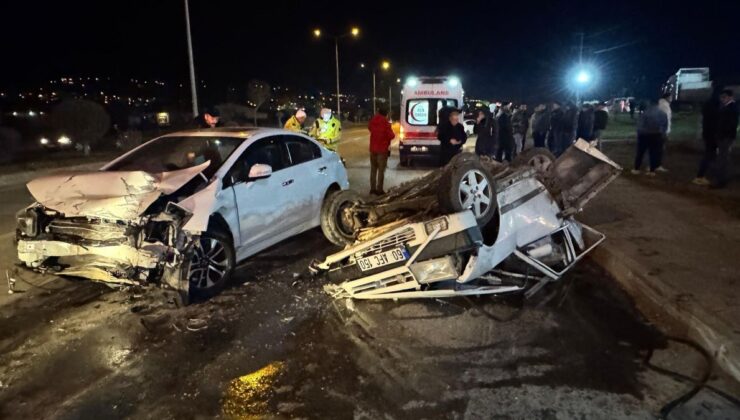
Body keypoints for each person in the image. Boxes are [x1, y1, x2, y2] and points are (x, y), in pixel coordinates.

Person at [632, 100, 668, 176]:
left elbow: (640, 125)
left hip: (644, 135)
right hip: (656, 135)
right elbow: (665, 126)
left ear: (649, 104)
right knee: (653, 153)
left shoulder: (645, 113)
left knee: (640, 152)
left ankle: (636, 169)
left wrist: (639, 134)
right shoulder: (662, 114)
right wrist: (662, 134)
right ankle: (651, 171)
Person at [711, 89, 738, 187]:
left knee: (723, 158)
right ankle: (720, 178)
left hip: (725, 137)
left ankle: (721, 180)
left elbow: (730, 125)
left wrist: (722, 135)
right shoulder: (727, 107)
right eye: (722, 97)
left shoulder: (731, 108)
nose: (722, 99)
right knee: (722, 158)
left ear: (730, 97)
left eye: (724, 97)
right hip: (723, 136)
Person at [692, 94, 720, 186]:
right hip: (712, 135)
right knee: (709, 155)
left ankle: (705, 174)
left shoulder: (706, 110)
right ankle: (700, 176)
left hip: (707, 134)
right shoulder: (715, 113)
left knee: (710, 155)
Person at [368, 107, 395, 195]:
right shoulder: (385, 123)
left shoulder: (373, 121)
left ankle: (372, 189)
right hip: (382, 150)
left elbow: (369, 128)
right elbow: (391, 136)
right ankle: (379, 190)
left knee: (373, 169)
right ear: (386, 114)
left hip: (373, 149)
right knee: (381, 170)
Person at [655, 93, 673, 172]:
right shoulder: (664, 106)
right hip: (662, 130)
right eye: (671, 97)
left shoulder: (663, 104)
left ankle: (654, 165)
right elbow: (664, 119)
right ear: (667, 97)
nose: (671, 99)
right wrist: (665, 131)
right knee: (660, 148)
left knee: (658, 148)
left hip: (660, 130)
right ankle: (657, 165)